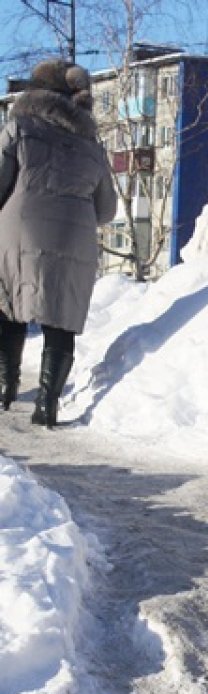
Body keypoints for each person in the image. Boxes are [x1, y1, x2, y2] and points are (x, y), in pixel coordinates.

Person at [0, 59, 117, 428]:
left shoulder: (19, 127)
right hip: (75, 236)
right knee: (61, 319)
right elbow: (107, 209)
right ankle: (47, 406)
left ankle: (6, 388)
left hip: (20, 227)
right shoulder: (91, 145)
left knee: (8, 306)